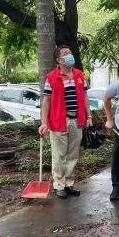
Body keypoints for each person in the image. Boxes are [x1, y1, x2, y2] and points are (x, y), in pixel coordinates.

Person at [39, 45, 92, 199]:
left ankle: (69, 183)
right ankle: (59, 185)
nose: (70, 55)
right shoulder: (52, 77)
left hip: (77, 120)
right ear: (59, 59)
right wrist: (44, 123)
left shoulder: (80, 75)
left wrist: (89, 116)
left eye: (70, 52)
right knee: (59, 155)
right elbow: (46, 101)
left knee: (73, 154)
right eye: (65, 53)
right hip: (58, 121)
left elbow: (85, 96)